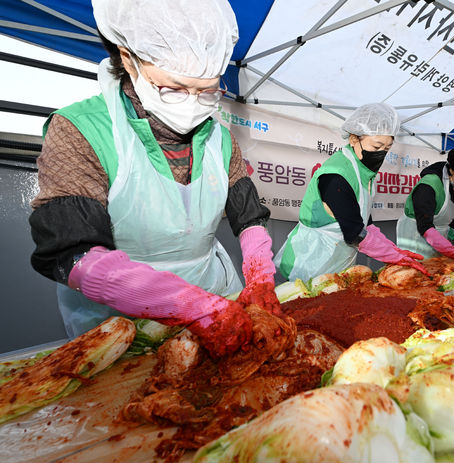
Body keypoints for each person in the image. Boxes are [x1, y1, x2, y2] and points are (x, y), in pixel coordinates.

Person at [28, 0, 279, 358]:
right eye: (175, 89)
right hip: (122, 319)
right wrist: (189, 304)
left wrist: (260, 279)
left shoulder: (221, 139)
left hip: (217, 293)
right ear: (129, 60)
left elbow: (250, 218)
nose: (192, 103)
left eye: (207, 90)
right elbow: (74, 253)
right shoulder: (80, 131)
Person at [274, 103, 427, 281]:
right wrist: (394, 256)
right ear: (354, 139)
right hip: (309, 262)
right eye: (376, 147)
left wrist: (393, 249)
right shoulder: (336, 175)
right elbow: (354, 232)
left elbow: (365, 222)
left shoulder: (365, 173)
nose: (381, 154)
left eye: (387, 149)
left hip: (338, 262)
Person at [396, 144, 454, 259]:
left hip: (438, 241)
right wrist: (450, 250)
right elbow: (424, 225)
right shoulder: (429, 186)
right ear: (453, 170)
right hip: (415, 239)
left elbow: (451, 218)